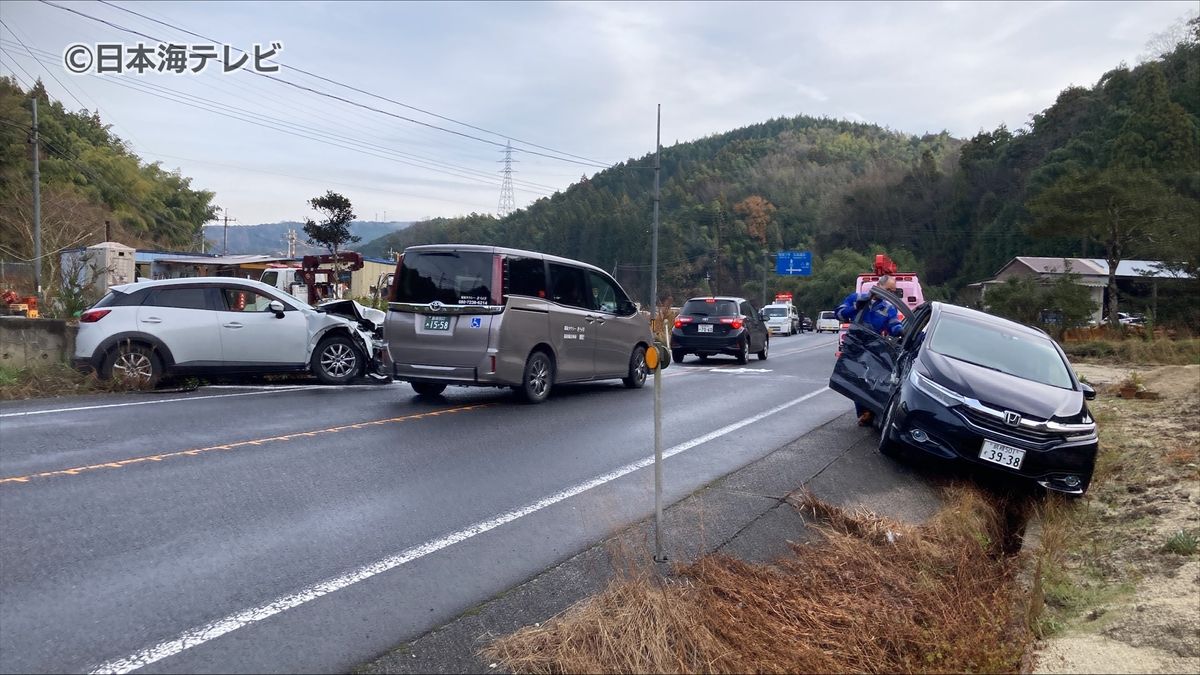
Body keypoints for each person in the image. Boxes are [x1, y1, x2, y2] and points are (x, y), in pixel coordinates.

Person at [835, 274, 905, 426]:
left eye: (893, 291)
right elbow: (839, 314)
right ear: (879, 286)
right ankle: (864, 412)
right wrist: (856, 307)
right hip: (855, 343)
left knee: (870, 378)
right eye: (888, 290)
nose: (890, 294)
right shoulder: (857, 298)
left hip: (874, 346)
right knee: (856, 378)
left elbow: (894, 325)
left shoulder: (888, 307)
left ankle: (869, 410)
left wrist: (901, 331)